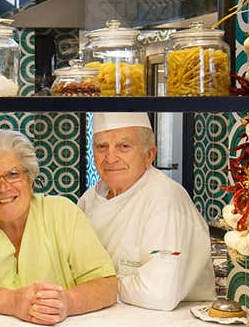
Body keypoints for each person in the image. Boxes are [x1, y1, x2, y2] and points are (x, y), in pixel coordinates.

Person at [0, 128, 117, 325]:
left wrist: (68, 302)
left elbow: (106, 284)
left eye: (13, 174)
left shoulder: (63, 212)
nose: (3, 187)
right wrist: (13, 302)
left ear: (30, 179)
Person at [77, 112, 214, 311]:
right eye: (101, 146)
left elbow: (160, 293)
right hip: (110, 318)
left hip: (174, 325)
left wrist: (95, 287)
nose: (110, 157)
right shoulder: (88, 200)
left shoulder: (165, 197)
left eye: (124, 146)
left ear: (149, 154)